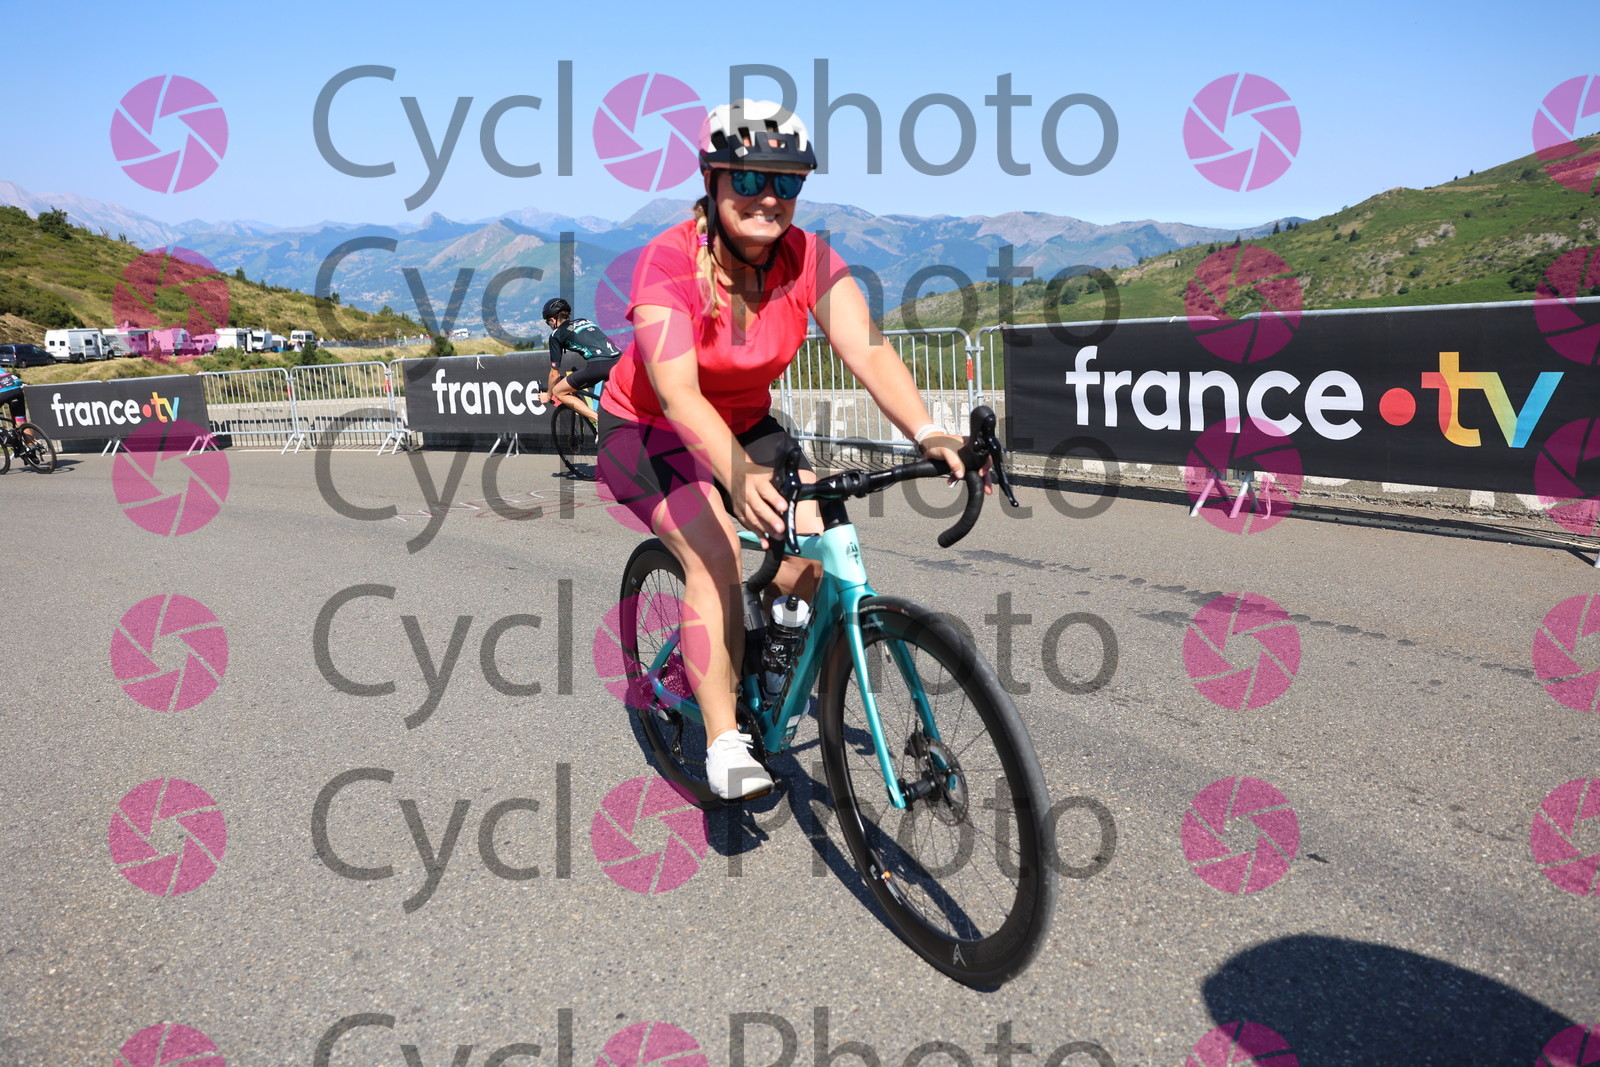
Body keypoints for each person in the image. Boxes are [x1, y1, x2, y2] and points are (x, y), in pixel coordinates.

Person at [597, 100, 983, 800]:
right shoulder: (667, 261)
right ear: (712, 182)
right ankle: (723, 738)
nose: (768, 197)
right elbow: (678, 394)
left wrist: (927, 431)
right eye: (747, 180)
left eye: (787, 182)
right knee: (714, 552)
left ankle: (766, 650)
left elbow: (868, 350)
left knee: (813, 535)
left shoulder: (807, 258)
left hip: (745, 421)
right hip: (649, 427)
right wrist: (736, 473)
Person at [543, 298, 621, 425]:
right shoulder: (585, 321)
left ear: (552, 320)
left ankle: (599, 421)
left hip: (600, 365)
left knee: (559, 391)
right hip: (620, 360)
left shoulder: (556, 334)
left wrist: (548, 395)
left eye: (548, 323)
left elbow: (554, 374)